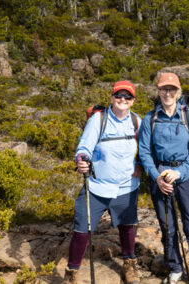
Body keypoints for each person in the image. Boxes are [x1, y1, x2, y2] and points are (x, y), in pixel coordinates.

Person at [63, 81, 142, 284]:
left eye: (127, 97)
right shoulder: (98, 119)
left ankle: (129, 264)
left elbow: (145, 148)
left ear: (133, 101)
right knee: (82, 229)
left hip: (126, 186)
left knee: (127, 226)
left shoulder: (136, 122)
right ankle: (71, 273)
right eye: (119, 95)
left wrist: (140, 163)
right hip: (97, 186)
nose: (122, 100)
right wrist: (81, 160)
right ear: (112, 97)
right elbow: (84, 147)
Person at [138, 73, 189, 284]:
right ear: (158, 91)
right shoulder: (150, 118)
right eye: (163, 89)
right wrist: (157, 177)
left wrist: (180, 172)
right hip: (160, 178)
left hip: (186, 177)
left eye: (171, 89)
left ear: (178, 92)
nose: (167, 93)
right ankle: (175, 268)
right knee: (167, 227)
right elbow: (144, 153)